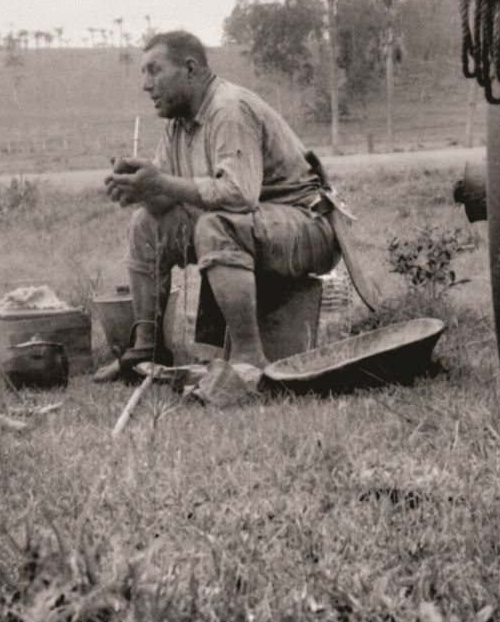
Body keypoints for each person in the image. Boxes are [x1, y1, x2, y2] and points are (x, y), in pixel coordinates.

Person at [96, 29, 338, 390]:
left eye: (154, 70)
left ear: (190, 68)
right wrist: (142, 189)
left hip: (308, 224)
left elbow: (238, 194)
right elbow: (169, 199)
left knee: (216, 225)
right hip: (257, 224)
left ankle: (248, 358)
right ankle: (147, 350)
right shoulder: (178, 124)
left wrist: (159, 182)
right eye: (143, 73)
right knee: (146, 224)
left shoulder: (229, 110)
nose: (146, 85)